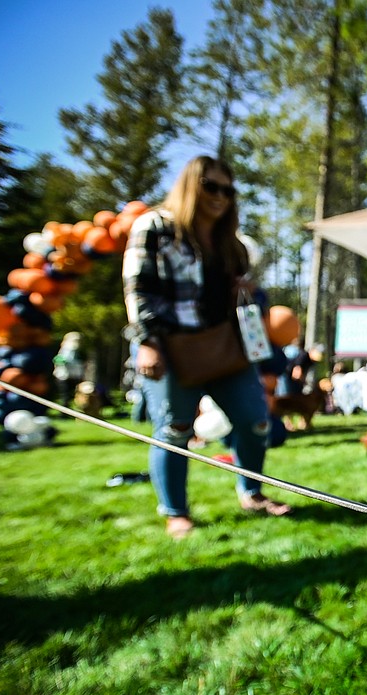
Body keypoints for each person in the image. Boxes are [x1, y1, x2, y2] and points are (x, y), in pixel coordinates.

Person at [122, 156, 291, 539]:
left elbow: (248, 305)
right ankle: (175, 511)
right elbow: (138, 290)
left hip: (227, 348)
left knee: (256, 419)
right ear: (189, 185)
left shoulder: (232, 244)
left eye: (228, 190)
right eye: (211, 186)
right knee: (175, 430)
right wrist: (146, 343)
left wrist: (247, 295)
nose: (220, 196)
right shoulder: (155, 227)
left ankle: (251, 492)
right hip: (170, 348)